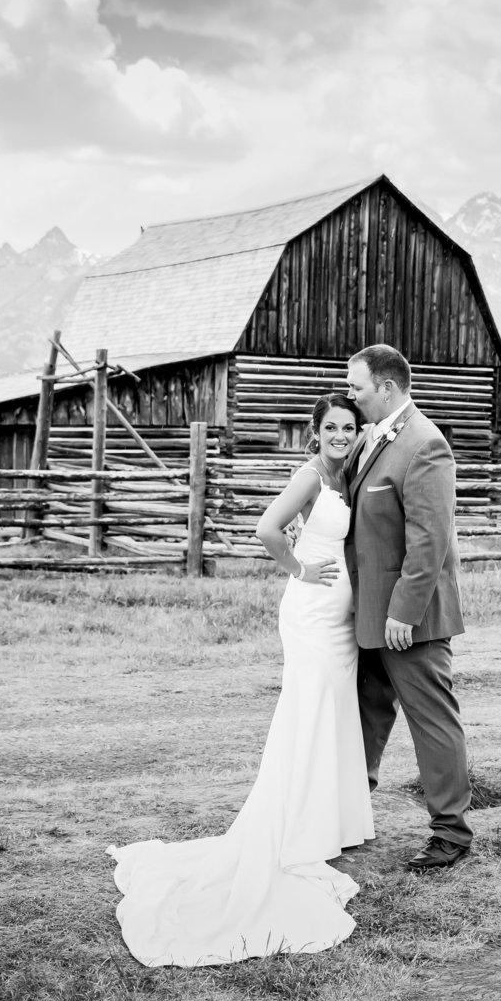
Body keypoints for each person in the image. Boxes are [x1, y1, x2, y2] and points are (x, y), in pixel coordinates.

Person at [106, 394, 374, 967]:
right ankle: (291, 831)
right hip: (311, 613)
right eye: (331, 427)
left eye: (349, 427)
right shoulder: (310, 476)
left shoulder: (346, 473)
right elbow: (266, 529)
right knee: (306, 715)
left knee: (329, 716)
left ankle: (320, 827)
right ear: (316, 430)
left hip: (340, 621)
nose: (340, 435)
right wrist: (300, 569)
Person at [343, 344, 474, 871]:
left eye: (357, 387)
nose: (350, 395)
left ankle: (451, 833)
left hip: (408, 621)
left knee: (432, 721)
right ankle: (349, 813)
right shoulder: (371, 437)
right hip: (368, 614)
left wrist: (404, 612)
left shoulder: (425, 444)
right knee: (366, 717)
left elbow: (429, 539)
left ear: (387, 388)